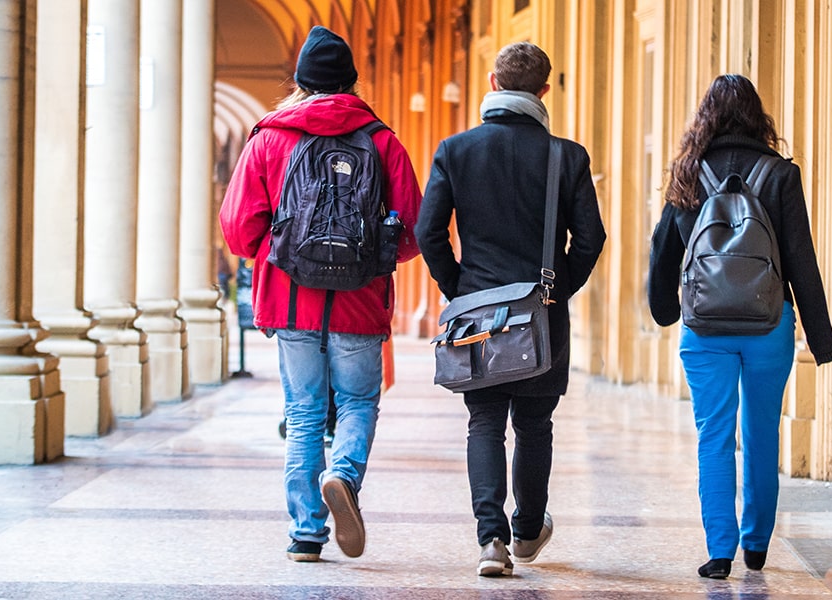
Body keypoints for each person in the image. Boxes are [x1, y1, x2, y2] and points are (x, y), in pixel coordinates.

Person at [219, 25, 422, 563]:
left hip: (290, 301)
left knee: (304, 412)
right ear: (352, 82)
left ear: (300, 82)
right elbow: (413, 233)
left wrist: (284, 254)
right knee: (357, 402)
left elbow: (240, 230)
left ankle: (306, 532)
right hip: (359, 301)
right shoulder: (382, 140)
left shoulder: (269, 139)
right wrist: (371, 261)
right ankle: (344, 475)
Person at [415, 42, 606, 577]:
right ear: (544, 91)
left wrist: (460, 289)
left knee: (483, 422)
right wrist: (554, 291)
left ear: (493, 84)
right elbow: (591, 238)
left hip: (478, 317)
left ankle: (490, 541)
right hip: (541, 314)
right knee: (535, 423)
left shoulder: (455, 150)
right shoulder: (566, 157)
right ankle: (526, 531)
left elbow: (428, 232)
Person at [647, 74, 832, 579]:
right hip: (768, 325)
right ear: (758, 116)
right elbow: (800, 259)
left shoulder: (688, 173)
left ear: (705, 116)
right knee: (760, 434)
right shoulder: (780, 174)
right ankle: (756, 546)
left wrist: (665, 308)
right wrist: (822, 341)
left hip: (704, 328)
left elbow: (663, 248)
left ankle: (719, 551)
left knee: (713, 436)